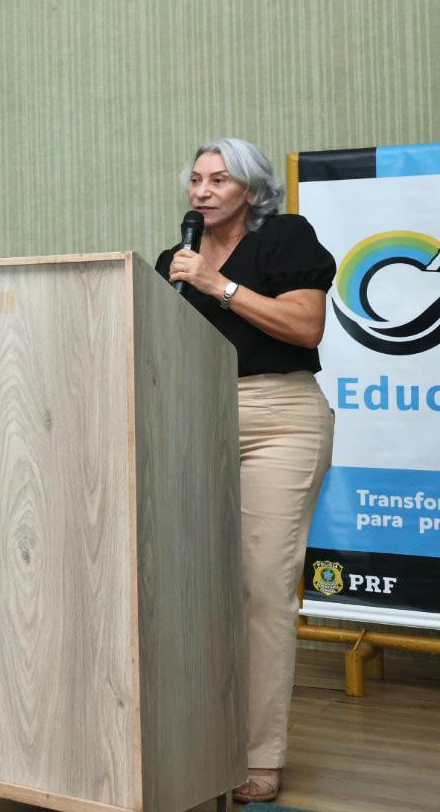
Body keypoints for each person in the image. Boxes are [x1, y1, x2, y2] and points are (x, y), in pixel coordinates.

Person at [156, 137, 336, 805]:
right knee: (193, 584)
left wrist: (219, 286)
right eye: (196, 179)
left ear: (252, 191)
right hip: (196, 417)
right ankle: (198, 733)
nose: (201, 191)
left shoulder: (285, 237)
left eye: (219, 180)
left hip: (279, 418)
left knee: (262, 588)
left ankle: (260, 753)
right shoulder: (174, 259)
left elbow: (306, 327)